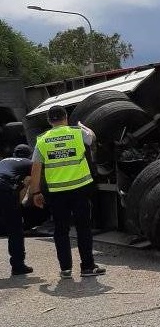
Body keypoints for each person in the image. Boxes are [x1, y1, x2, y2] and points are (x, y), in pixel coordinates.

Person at [29, 105, 106, 279]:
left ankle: (65, 269)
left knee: (60, 230)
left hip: (57, 194)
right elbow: (92, 138)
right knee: (83, 229)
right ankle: (87, 267)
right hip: (80, 190)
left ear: (50, 121)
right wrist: (86, 128)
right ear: (66, 117)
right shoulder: (77, 133)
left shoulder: (42, 140)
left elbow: (35, 169)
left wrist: (35, 193)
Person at [0, 144, 34, 276]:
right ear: (29, 155)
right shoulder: (29, 163)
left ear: (14, 154)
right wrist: (18, 207)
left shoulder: (3, 161)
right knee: (15, 229)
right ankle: (18, 266)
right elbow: (26, 184)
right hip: (4, 188)